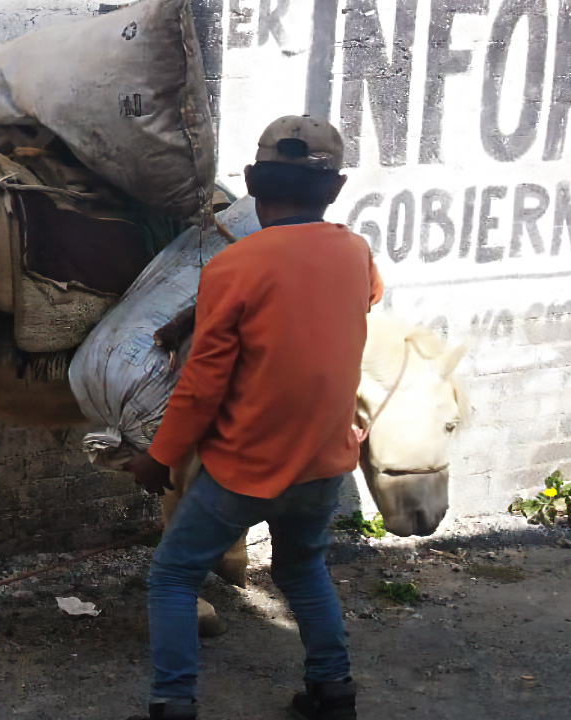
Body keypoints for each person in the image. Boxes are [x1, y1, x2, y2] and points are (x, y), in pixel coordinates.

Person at [125, 115, 384, 720]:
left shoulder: (233, 268)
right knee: (301, 567)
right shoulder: (355, 252)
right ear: (337, 188)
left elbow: (202, 384)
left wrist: (158, 457)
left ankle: (174, 702)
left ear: (250, 182)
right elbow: (363, 296)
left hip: (245, 467)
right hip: (323, 462)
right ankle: (333, 692)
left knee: (172, 574)